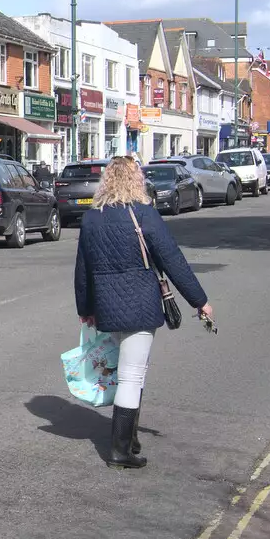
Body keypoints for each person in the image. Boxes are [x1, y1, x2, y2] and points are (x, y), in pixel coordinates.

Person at [74, 157, 214, 469]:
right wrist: (199, 301)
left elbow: (82, 269)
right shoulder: (144, 214)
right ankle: (120, 450)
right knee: (132, 374)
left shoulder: (91, 218)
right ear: (134, 181)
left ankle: (130, 439)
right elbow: (172, 260)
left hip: (106, 306)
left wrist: (85, 309)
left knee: (131, 372)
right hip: (139, 304)